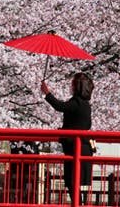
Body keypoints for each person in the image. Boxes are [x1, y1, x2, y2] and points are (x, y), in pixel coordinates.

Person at [41, 72, 94, 204]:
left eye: (73, 84)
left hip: (76, 148)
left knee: (72, 181)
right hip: (82, 147)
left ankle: (78, 205)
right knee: (74, 182)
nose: (71, 86)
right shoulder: (85, 104)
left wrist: (47, 93)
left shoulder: (77, 102)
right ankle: (78, 204)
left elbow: (60, 106)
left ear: (77, 87)